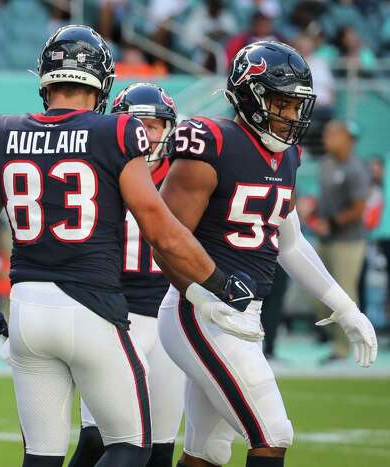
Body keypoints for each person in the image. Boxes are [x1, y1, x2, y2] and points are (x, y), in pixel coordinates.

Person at [0, 25, 260, 467]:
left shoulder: (0, 132)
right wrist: (218, 279)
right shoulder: (114, 132)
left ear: (45, 77)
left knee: (41, 456)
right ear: (100, 80)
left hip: (26, 310)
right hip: (92, 307)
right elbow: (159, 227)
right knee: (131, 444)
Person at [156, 41, 377, 467]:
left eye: (297, 106)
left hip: (244, 314)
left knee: (206, 453)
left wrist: (344, 307)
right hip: (201, 312)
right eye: (283, 103)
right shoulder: (211, 141)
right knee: (273, 433)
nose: (292, 116)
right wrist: (204, 293)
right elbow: (166, 235)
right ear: (249, 95)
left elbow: (289, 243)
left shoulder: (288, 155)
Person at [68, 83, 184, 467]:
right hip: (110, 314)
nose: (147, 134)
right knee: (97, 441)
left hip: (168, 319)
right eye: (137, 123)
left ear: (169, 130)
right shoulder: (96, 174)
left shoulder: (187, 178)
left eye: (155, 125)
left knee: (161, 450)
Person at [312, 120, 370, 363]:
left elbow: (359, 208)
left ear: (347, 139)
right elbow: (323, 200)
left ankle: (344, 347)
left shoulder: (356, 168)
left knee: (344, 294)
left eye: (333, 134)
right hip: (325, 237)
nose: (327, 137)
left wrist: (332, 223)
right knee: (317, 293)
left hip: (348, 241)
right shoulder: (325, 164)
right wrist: (314, 215)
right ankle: (333, 337)